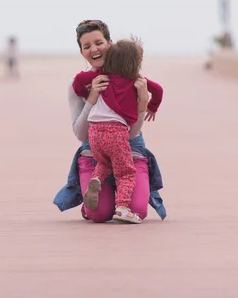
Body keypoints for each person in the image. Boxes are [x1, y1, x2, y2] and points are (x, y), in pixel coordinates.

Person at [53, 20, 167, 223]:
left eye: (99, 42)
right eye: (87, 46)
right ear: (82, 53)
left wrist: (142, 101)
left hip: (129, 149)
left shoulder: (132, 78)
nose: (94, 49)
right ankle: (93, 200)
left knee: (138, 211)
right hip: (93, 153)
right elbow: (80, 135)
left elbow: (131, 133)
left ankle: (114, 193)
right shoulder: (78, 84)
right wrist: (92, 98)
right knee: (100, 214)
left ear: (110, 44)